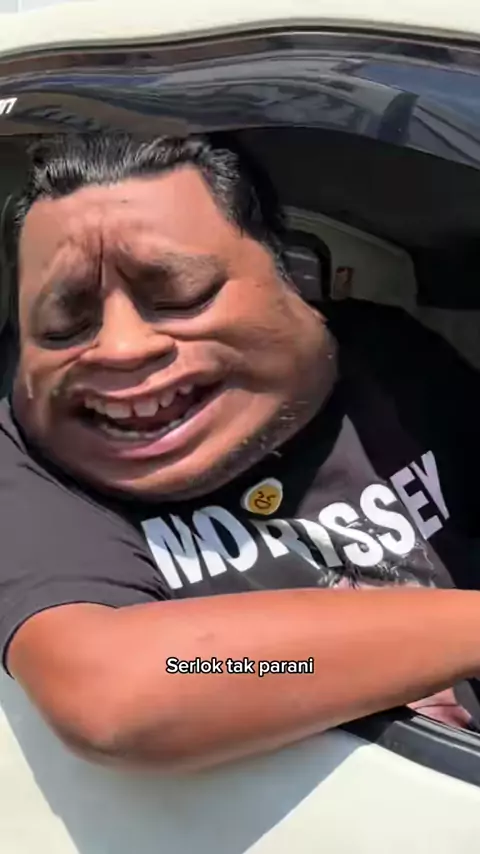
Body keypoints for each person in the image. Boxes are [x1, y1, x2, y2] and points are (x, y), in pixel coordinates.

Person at [1, 132, 480, 771]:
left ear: (290, 282)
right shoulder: (26, 466)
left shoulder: (390, 358)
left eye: (180, 297)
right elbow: (125, 691)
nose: (121, 349)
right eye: (65, 326)